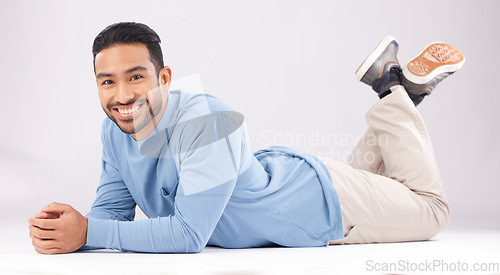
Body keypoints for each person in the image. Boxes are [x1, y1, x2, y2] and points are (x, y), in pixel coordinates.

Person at [28, 22, 465, 254]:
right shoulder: (115, 128)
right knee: (387, 186)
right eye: (107, 82)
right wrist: (69, 231)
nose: (121, 96)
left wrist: (87, 232)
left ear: (163, 77)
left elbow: (186, 236)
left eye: (135, 77)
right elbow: (112, 217)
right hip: (293, 183)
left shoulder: (204, 120)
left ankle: (392, 89)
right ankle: (399, 99)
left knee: (429, 209)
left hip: (324, 207)